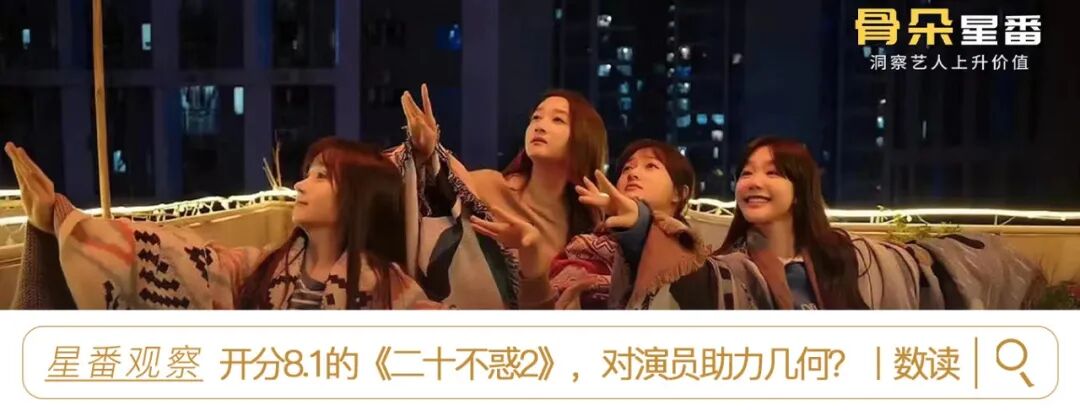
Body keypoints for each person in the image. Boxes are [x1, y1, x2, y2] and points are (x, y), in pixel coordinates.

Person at [6, 137, 434, 309]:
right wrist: (57, 220)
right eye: (307, 173)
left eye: (321, 177)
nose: (301, 185)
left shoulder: (392, 294)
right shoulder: (257, 270)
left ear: (357, 199)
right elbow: (175, 256)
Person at [472, 139, 774, 310]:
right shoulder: (584, 246)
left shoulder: (701, 261)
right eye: (627, 168)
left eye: (651, 166)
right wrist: (533, 263)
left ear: (680, 194)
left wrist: (642, 228)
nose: (633, 173)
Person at [386, 85, 607, 308]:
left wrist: (532, 257)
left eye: (557, 120)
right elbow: (442, 187)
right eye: (536, 117)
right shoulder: (490, 186)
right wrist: (427, 150)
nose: (540, 126)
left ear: (584, 138)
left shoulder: (585, 231)